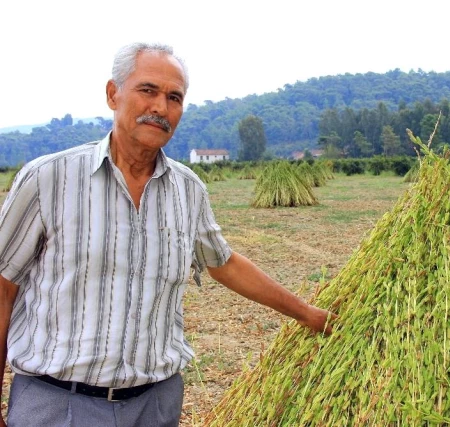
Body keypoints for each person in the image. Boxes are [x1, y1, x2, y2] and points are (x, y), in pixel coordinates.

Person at [0, 42, 333, 427]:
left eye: (174, 97)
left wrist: (309, 315)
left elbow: (223, 263)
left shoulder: (188, 189)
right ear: (113, 94)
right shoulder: (49, 178)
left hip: (155, 405)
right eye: (147, 91)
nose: (160, 107)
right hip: (58, 404)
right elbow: (4, 285)